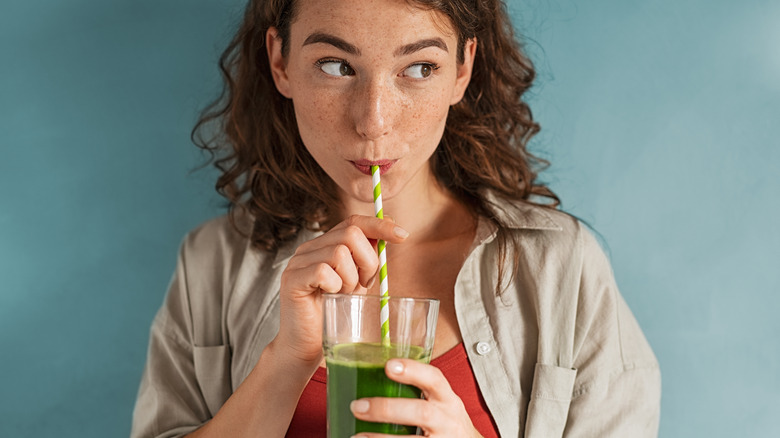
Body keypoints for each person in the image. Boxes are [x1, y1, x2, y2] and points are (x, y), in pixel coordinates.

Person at [131, 0, 661, 436]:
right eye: (336, 66)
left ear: (462, 69)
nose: (374, 122)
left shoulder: (561, 267)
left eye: (419, 68)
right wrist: (285, 361)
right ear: (279, 61)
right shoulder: (211, 264)